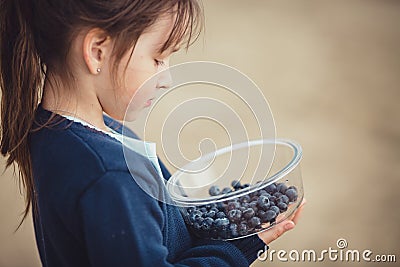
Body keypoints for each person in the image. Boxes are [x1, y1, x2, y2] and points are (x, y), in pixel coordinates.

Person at [0, 0, 305, 266]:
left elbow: (161, 225)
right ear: (97, 52)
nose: (167, 78)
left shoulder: (59, 133)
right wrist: (234, 250)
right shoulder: (111, 175)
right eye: (158, 58)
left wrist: (226, 217)